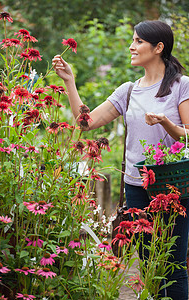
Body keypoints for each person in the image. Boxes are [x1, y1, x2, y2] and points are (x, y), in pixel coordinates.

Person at [53, 20, 189, 300]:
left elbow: (188, 134)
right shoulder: (128, 90)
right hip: (136, 188)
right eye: (133, 40)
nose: (132, 46)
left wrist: (166, 124)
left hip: (172, 187)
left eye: (139, 41)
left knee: (172, 263)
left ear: (158, 47)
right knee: (150, 262)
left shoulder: (180, 86)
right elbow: (85, 123)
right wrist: (70, 81)